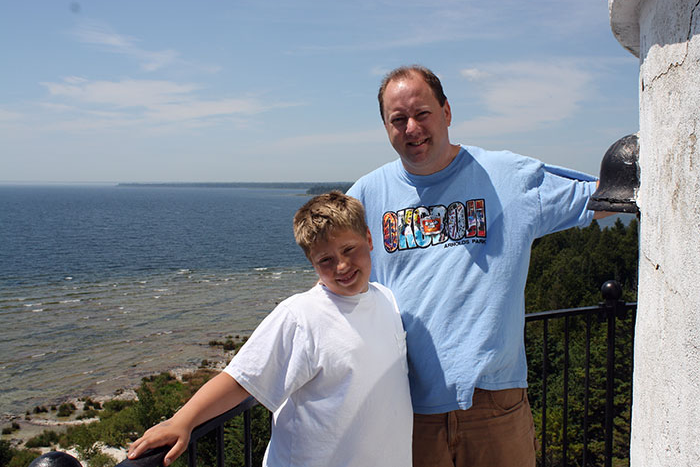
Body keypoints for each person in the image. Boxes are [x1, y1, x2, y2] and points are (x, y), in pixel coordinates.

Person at [347, 65, 609, 467]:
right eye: (398, 119)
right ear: (386, 127)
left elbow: (604, 196)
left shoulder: (506, 176)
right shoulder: (367, 195)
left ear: (447, 112)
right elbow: (334, 278)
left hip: (494, 402)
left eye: (422, 113)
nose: (412, 128)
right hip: (405, 407)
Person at [127, 191, 412, 467]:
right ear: (312, 263)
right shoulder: (301, 316)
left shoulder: (386, 299)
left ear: (369, 239)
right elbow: (242, 378)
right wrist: (183, 421)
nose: (341, 265)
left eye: (349, 249)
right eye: (325, 260)